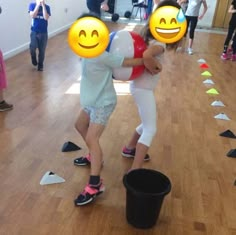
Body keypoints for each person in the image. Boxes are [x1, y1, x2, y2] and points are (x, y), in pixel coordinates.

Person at [73, 13, 161, 206]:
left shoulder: (104, 56)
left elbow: (130, 62)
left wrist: (149, 62)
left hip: (103, 102)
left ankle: (95, 185)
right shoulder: (85, 51)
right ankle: (94, 155)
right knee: (80, 125)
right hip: (91, 100)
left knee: (92, 138)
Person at [121, 0, 183, 171]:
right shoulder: (160, 44)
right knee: (150, 129)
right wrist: (156, 67)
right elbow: (148, 55)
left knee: (148, 122)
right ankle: (135, 170)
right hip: (143, 89)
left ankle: (130, 148)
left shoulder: (151, 36)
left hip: (139, 87)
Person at [28, 0, 51, 71]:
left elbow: (46, 17)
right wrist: (38, 5)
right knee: (32, 47)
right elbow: (33, 15)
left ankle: (40, 65)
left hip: (44, 32)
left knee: (42, 51)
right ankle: (33, 58)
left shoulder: (47, 7)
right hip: (34, 31)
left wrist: (43, 6)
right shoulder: (32, 5)